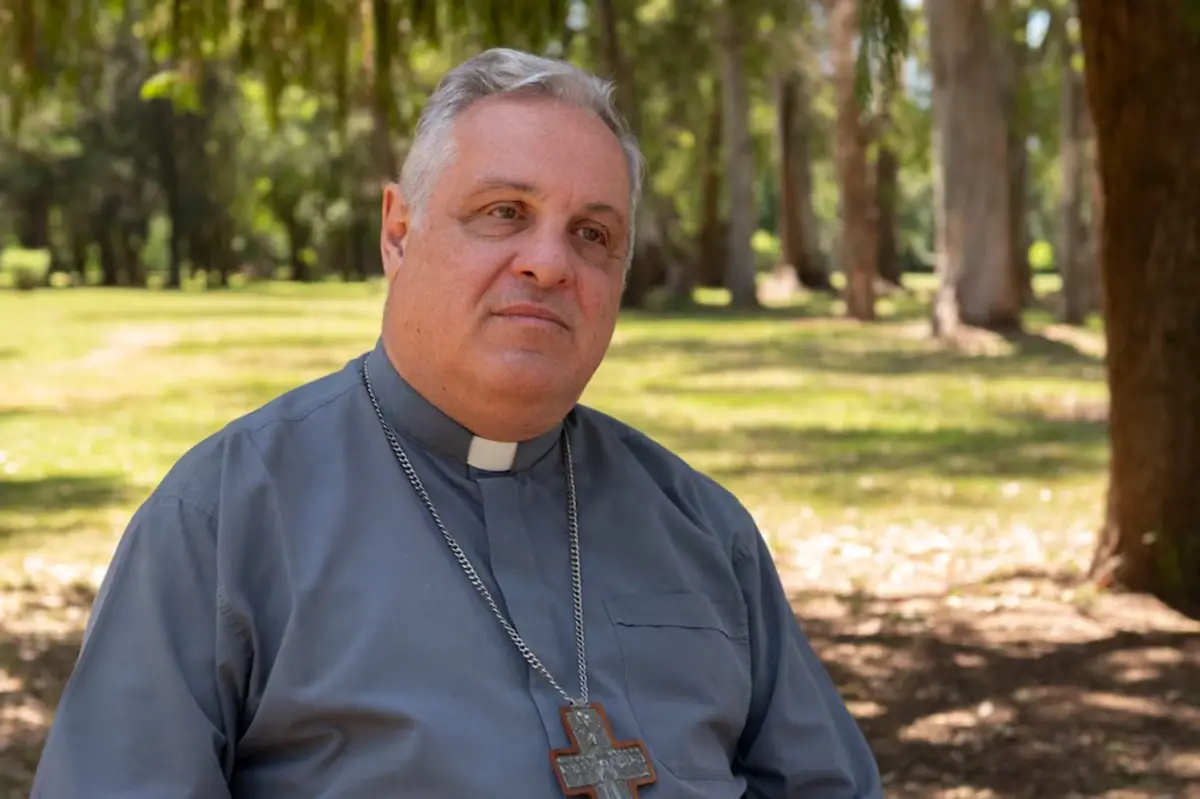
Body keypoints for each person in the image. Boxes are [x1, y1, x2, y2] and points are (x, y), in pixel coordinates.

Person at [32, 48, 882, 798]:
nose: (549, 263)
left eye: (592, 234)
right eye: (504, 212)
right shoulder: (223, 521)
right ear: (399, 233)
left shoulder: (703, 528)